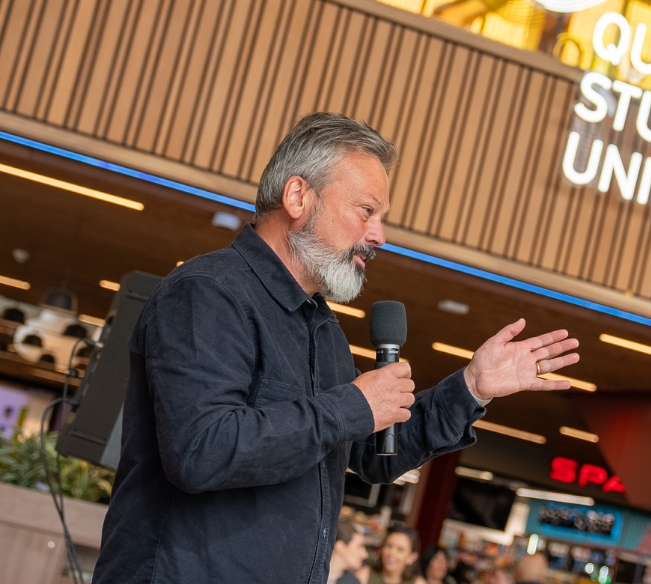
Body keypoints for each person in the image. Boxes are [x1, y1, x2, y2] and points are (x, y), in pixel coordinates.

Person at [92, 112, 580, 584]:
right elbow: (202, 449)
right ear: (299, 196)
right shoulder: (207, 293)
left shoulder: (320, 327)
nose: (379, 235)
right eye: (366, 211)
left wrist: (471, 388)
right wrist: (352, 405)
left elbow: (371, 454)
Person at [362, 527, 426, 584]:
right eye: (389, 546)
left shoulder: (418, 582)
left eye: (400, 550)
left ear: (412, 558)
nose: (391, 553)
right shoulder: (364, 575)